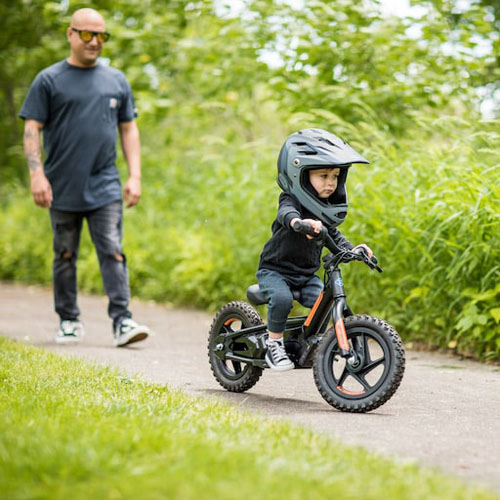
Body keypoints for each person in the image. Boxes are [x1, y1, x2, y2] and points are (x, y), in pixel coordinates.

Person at [19, 8, 149, 347]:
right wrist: (37, 175)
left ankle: (123, 321)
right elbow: (32, 128)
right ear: (70, 34)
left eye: (101, 36)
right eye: (87, 34)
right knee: (65, 254)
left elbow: (128, 128)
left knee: (112, 250)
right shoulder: (48, 80)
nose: (94, 42)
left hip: (104, 184)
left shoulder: (116, 80)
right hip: (61, 186)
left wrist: (134, 176)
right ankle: (68, 320)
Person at [257, 128, 373, 371]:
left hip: (305, 276)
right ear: (301, 174)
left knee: (324, 302)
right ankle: (273, 344)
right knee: (281, 298)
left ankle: (305, 343)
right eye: (323, 176)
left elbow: (335, 236)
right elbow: (285, 214)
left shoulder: (324, 208)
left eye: (335, 176)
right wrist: (298, 223)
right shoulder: (291, 200)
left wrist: (355, 250)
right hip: (275, 272)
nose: (331, 183)